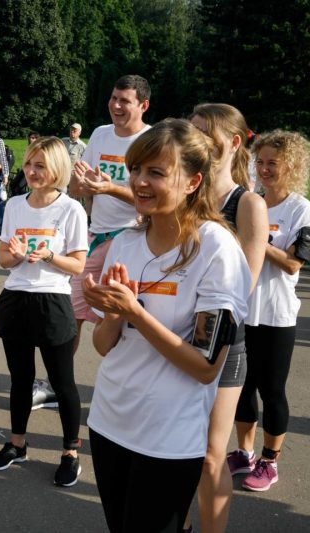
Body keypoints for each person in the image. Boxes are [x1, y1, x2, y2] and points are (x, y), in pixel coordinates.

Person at [83, 119, 250, 532]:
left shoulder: (216, 249)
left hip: (168, 437)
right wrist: (113, 314)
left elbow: (205, 366)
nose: (140, 181)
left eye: (156, 172)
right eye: (136, 169)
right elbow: (103, 346)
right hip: (109, 422)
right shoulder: (124, 242)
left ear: (193, 182)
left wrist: (137, 313)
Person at [186, 103, 268, 532]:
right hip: (171, 335)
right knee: (176, 448)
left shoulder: (248, 203)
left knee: (210, 455)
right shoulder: (185, 194)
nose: (196, 139)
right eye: (193, 130)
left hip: (222, 344)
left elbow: (243, 287)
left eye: (206, 132)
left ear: (234, 142)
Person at [0, 137, 87, 487]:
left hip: (53, 302)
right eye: (29, 163)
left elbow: (78, 265)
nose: (31, 171)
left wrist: (49, 256)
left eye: (40, 165)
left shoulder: (71, 209)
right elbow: (3, 259)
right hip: (15, 299)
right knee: (20, 380)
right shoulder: (15, 205)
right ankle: (17, 444)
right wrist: (15, 256)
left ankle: (70, 452)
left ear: (57, 169)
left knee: (62, 382)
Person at [231, 129, 310, 492]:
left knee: (272, 390)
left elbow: (293, 264)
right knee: (241, 387)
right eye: (259, 162)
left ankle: (269, 461)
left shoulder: (300, 208)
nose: (263, 169)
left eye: (272, 163)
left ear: (291, 166)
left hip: (277, 313)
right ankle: (244, 452)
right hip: (243, 309)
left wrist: (256, 239)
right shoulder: (250, 201)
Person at [68, 74, 152, 356]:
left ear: (143, 106)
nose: (116, 105)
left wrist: (110, 188)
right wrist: (81, 181)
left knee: (117, 319)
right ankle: (59, 378)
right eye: (114, 98)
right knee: (71, 314)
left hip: (133, 238)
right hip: (96, 236)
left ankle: (117, 379)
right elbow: (77, 187)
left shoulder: (151, 141)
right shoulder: (101, 134)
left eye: (124, 101)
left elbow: (155, 199)